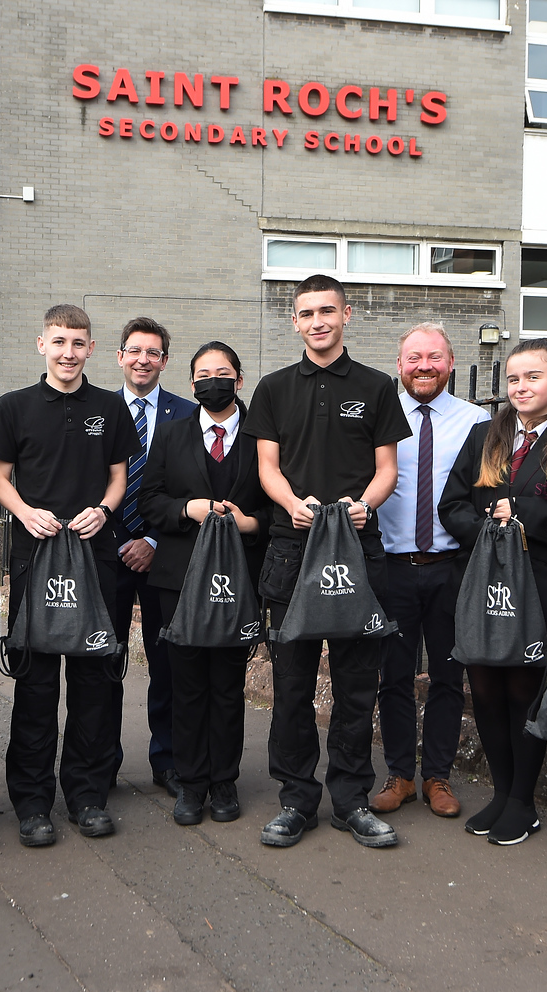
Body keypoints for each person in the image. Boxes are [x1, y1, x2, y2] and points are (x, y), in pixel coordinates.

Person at [243, 274, 413, 849]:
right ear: (294, 321)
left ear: (347, 315)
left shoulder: (376, 386)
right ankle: (296, 800)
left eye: (327, 311)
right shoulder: (272, 388)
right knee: (290, 685)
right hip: (291, 553)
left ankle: (351, 800)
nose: (317, 321)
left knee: (355, 684)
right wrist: (293, 505)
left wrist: (364, 506)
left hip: (357, 553)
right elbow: (268, 467)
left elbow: (387, 468)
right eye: (306, 313)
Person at [0, 303, 141, 846]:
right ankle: (32, 803)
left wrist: (104, 508)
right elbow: (0, 479)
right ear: (41, 345)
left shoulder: (109, 408)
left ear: (92, 349)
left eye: (78, 343)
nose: (68, 353)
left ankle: (87, 796)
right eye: (58, 342)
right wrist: (24, 512)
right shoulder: (13, 407)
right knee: (36, 688)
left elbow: (119, 477)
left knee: (95, 687)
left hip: (95, 564)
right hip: (35, 560)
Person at [440, 339, 547, 845]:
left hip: (537, 585)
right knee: (483, 688)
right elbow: (452, 505)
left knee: (523, 691)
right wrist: (490, 521)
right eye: (513, 379)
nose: (521, 387)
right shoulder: (484, 435)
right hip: (481, 583)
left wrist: (523, 515)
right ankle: (502, 794)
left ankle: (524, 803)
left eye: (532, 377)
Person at [139, 341, 272, 825]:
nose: (211, 381)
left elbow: (277, 504)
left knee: (227, 685)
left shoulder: (262, 437)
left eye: (222, 372)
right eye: (202, 374)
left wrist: (251, 524)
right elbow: (149, 501)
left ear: (239, 380)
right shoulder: (171, 436)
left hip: (238, 579)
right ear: (192, 383)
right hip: (180, 579)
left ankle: (224, 783)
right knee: (187, 684)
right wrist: (185, 509)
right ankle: (191, 783)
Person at [372, 323, 490, 820]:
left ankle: (437, 775)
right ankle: (399, 774)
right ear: (399, 364)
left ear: (451, 362)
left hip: (452, 568)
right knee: (393, 676)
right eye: (415, 357)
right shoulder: (378, 417)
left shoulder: (477, 420)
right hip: (391, 567)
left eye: (435, 357)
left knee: (447, 675)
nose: (425, 365)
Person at [109, 317, 191, 797]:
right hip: (108, 550)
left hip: (166, 553)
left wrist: (154, 539)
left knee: (167, 663)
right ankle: (104, 761)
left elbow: (192, 485)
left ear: (165, 360)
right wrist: (123, 539)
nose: (143, 360)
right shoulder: (98, 410)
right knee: (104, 662)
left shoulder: (186, 413)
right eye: (134, 351)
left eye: (153, 352)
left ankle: (168, 760)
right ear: (119, 356)